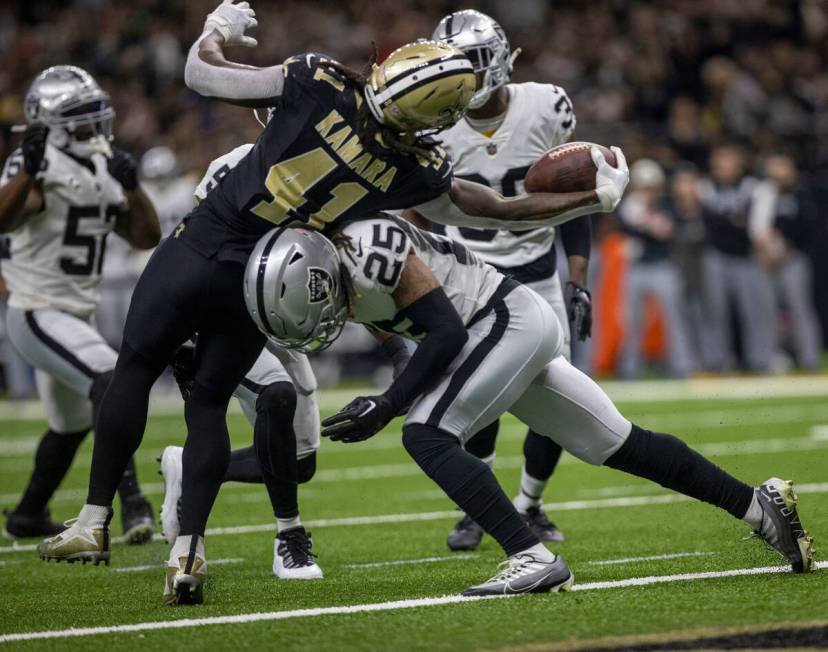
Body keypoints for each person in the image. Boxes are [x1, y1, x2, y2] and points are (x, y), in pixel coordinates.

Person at [37, 0, 629, 599]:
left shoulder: (316, 80)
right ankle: (186, 555)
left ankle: (92, 520)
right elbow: (497, 209)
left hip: (203, 244)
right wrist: (589, 201)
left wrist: (218, 28)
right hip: (262, 278)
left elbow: (201, 72)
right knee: (210, 402)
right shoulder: (413, 164)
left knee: (135, 367)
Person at [247, 216, 815, 596]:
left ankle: (530, 555)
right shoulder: (341, 268)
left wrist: (391, 405)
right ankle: (757, 506)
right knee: (615, 442)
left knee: (424, 433)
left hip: (503, 320)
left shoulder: (366, 247)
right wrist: (395, 385)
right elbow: (400, 336)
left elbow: (443, 332)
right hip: (505, 328)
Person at [405, 9, 593, 551]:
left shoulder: (547, 105)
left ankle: (528, 504)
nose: (465, 73)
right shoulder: (432, 123)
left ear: (501, 58)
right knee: (478, 398)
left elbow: (571, 200)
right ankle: (477, 510)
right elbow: (418, 212)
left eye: (473, 61)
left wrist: (577, 277)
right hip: (473, 280)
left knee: (556, 400)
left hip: (538, 277)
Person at [0, 66, 160, 543]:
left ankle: (27, 514)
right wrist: (28, 169)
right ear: (50, 121)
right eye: (81, 114)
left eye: (95, 112)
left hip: (78, 310)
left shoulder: (101, 160)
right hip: (38, 307)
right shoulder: (35, 161)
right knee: (112, 383)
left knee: (69, 425)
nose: (94, 122)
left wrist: (132, 188)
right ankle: (132, 504)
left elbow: (145, 236)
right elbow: (4, 220)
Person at [698, 145, 775, 372]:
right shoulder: (707, 187)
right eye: (720, 165)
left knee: (755, 312)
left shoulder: (753, 187)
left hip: (747, 257)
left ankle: (760, 361)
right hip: (716, 256)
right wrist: (734, 220)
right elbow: (712, 223)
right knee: (714, 311)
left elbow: (752, 227)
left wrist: (731, 222)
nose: (724, 170)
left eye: (728, 164)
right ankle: (716, 361)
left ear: (739, 165)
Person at [617, 159, 694, 378]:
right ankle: (629, 369)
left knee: (674, 319)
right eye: (643, 185)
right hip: (636, 268)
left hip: (663, 267)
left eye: (650, 185)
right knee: (631, 321)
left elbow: (663, 230)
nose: (647, 190)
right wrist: (644, 219)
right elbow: (627, 224)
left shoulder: (667, 205)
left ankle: (682, 366)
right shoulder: (628, 204)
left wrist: (644, 218)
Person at [750, 155, 821, 371]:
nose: (779, 179)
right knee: (767, 311)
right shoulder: (762, 195)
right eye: (774, 174)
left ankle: (810, 359)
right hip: (765, 259)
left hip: (794, 259)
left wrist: (784, 251)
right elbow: (754, 227)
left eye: (783, 173)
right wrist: (763, 252)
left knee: (800, 309)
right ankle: (768, 359)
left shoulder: (802, 195)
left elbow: (809, 228)